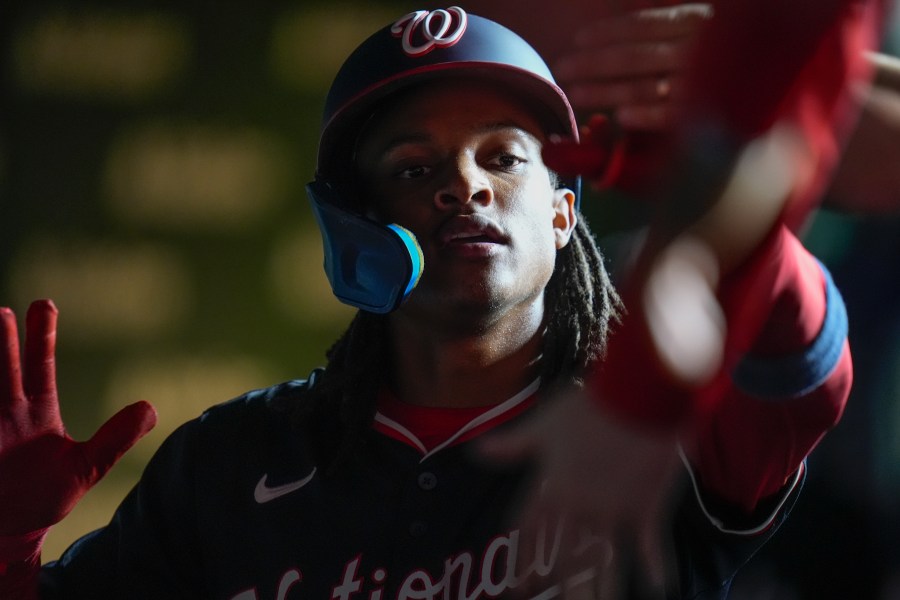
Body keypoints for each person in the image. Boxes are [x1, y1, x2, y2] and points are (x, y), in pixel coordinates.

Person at [0, 5, 866, 599]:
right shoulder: (225, 466)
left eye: (503, 157)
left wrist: (721, 208)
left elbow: (804, 364)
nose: (464, 186)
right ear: (353, 226)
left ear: (566, 212)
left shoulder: (652, 421)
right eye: (415, 168)